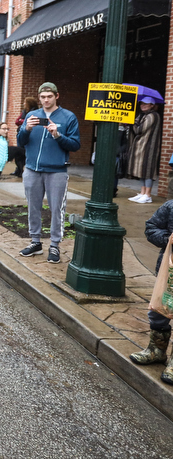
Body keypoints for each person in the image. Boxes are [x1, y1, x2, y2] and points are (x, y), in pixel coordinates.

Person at [16, 82, 81, 263]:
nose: (46, 100)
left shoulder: (68, 117)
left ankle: (54, 245)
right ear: (39, 98)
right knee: (33, 206)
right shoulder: (32, 115)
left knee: (56, 209)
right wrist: (26, 128)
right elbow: (20, 142)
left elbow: (75, 145)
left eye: (49, 97)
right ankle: (35, 242)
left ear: (56, 96)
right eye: (43, 97)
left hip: (57, 171)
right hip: (32, 169)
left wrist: (57, 134)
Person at [131, 202, 173, 384]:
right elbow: (151, 227)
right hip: (168, 273)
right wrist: (168, 238)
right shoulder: (170, 207)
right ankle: (157, 350)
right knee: (158, 312)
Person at [126, 96, 163, 204]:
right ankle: (142, 193)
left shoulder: (153, 116)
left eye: (146, 103)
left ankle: (148, 195)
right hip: (142, 147)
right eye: (142, 103)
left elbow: (139, 129)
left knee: (148, 171)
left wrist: (134, 122)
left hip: (149, 148)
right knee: (142, 170)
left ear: (152, 105)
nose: (143, 105)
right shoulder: (143, 115)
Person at [11, 97, 38, 177]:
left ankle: (23, 170)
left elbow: (26, 121)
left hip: (30, 135)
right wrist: (24, 121)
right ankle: (18, 170)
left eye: (25, 102)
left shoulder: (34, 112)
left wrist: (23, 121)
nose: (23, 104)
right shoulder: (24, 112)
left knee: (24, 154)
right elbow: (17, 121)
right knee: (19, 154)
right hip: (21, 133)